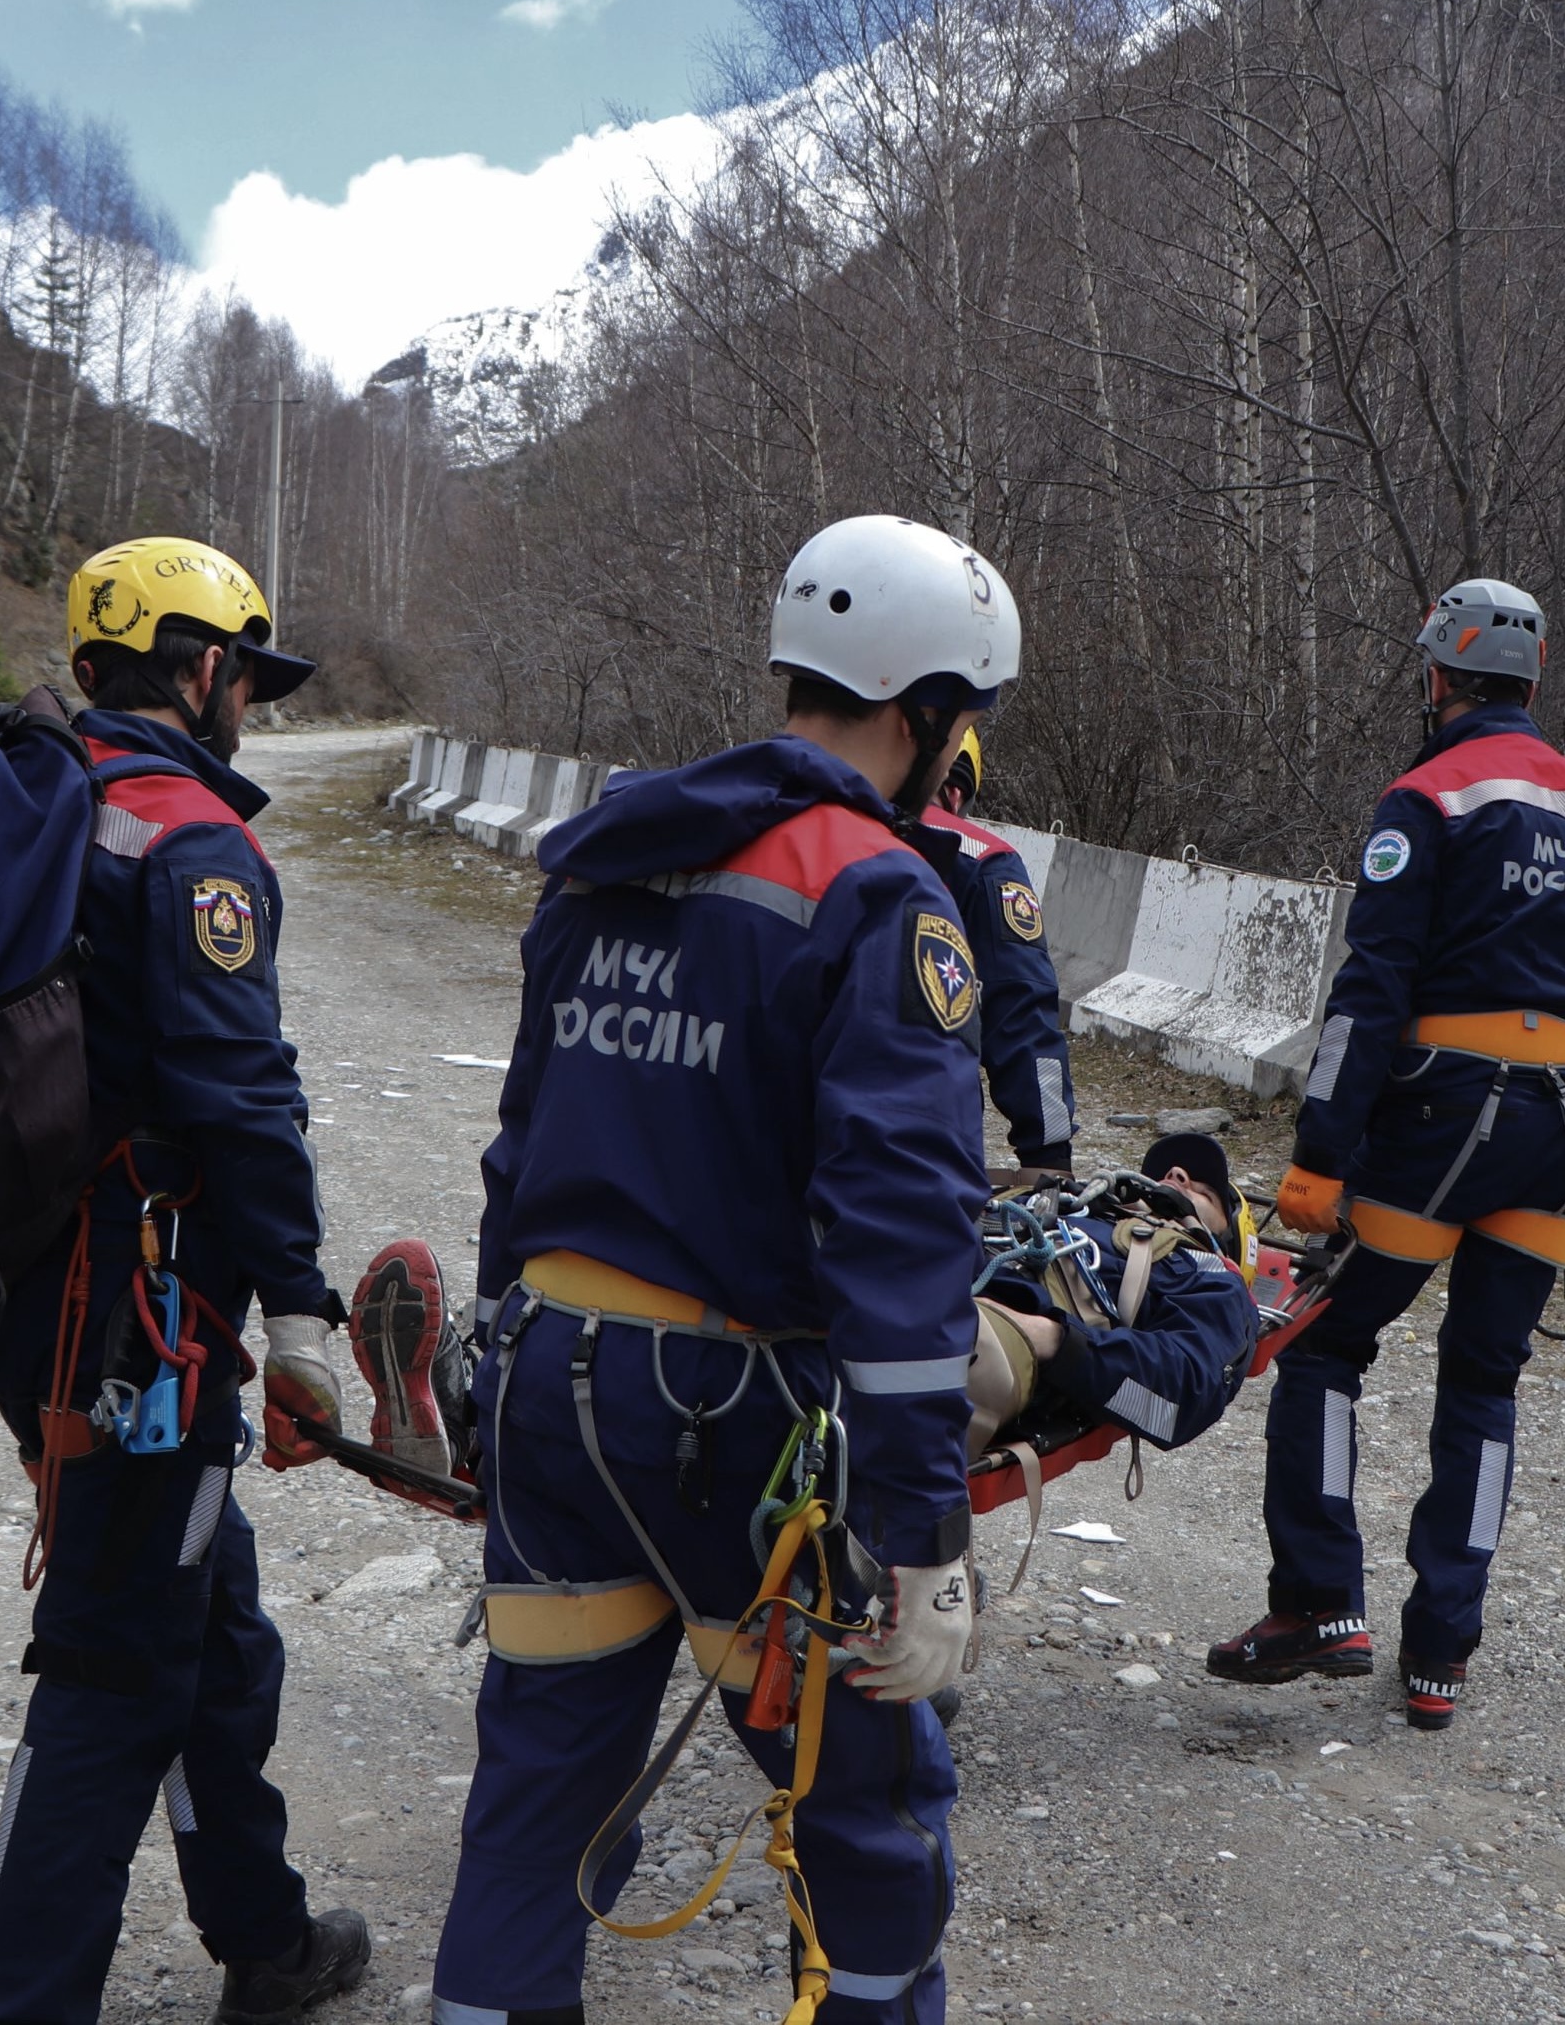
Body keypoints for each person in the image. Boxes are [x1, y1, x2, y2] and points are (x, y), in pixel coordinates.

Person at [430, 513, 1013, 2025]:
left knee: (540, 1799)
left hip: (550, 1374)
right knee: (864, 1808)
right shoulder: (876, 891)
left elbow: (521, 1141)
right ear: (921, 710)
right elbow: (901, 1227)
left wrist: (488, 1363)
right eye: (964, 721)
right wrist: (923, 1531)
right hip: (731, 1415)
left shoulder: (615, 857)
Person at [0, 538, 370, 2024]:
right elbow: (242, 1096)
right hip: (139, 1325)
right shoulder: (192, 840)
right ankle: (17, 1999)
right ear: (202, 668)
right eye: (245, 674)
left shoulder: (11, 800)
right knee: (114, 1661)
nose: (247, 701)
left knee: (214, 1621)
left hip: (20, 1295)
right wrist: (301, 1309)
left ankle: (263, 1937)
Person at [1207, 578, 1565, 1732]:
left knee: (1324, 1343)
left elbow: (1369, 989)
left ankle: (1320, 1603)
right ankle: (1440, 1653)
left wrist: (1322, 1154)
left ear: (1439, 676)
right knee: (1483, 1381)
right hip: (1560, 1127)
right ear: (1531, 681)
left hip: (1439, 1119)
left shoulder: (1428, 797)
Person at [966, 1132, 1261, 1460]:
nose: (1176, 1173)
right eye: (1165, 1176)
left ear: (1224, 1241)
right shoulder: (1073, 1205)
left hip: (989, 1327)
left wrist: (1054, 1339)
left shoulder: (1212, 1277)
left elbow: (1181, 1400)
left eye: (1205, 1193)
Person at [914, 729, 1079, 1173]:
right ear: (956, 789)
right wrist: (1050, 1157)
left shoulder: (785, 827)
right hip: (918, 1147)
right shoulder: (983, 860)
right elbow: (1022, 1015)